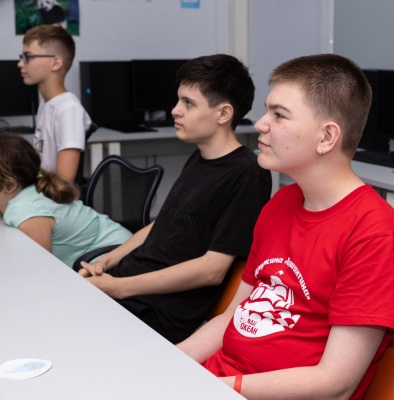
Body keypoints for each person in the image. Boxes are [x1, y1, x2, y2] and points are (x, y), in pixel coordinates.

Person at [176, 54, 394, 399]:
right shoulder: (281, 203)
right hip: (221, 382)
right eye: (267, 111)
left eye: (279, 115)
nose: (261, 124)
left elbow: (335, 384)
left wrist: (214, 387)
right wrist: (171, 362)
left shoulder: (376, 235)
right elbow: (232, 317)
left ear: (327, 137)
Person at [78, 54, 272, 344]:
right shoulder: (199, 157)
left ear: (223, 114)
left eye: (188, 103)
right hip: (130, 287)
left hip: (157, 310)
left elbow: (212, 270)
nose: (175, 110)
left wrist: (119, 287)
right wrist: (106, 261)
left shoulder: (248, 173)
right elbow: (162, 224)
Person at [0, 131, 131, 268]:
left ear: (10, 185)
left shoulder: (26, 211)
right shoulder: (31, 191)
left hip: (119, 264)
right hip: (119, 251)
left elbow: (37, 266)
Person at [18, 24, 91, 182]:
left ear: (55, 63)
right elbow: (42, 165)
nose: (20, 64)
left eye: (27, 57)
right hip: (42, 188)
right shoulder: (46, 104)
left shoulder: (68, 109)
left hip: (52, 195)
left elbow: (64, 180)